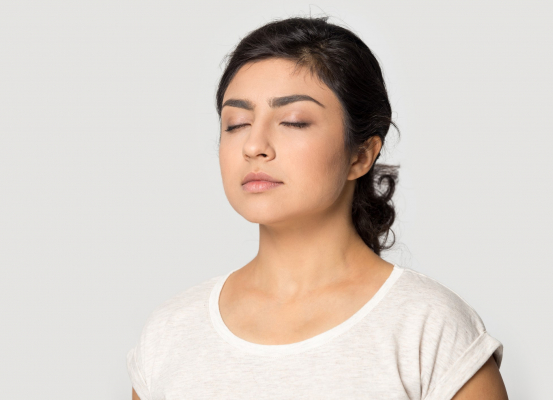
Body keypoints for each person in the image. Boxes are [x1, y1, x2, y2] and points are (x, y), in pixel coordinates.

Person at [127, 16, 508, 400]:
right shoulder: (169, 334)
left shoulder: (430, 330)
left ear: (361, 155)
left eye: (293, 122)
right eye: (237, 123)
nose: (254, 145)